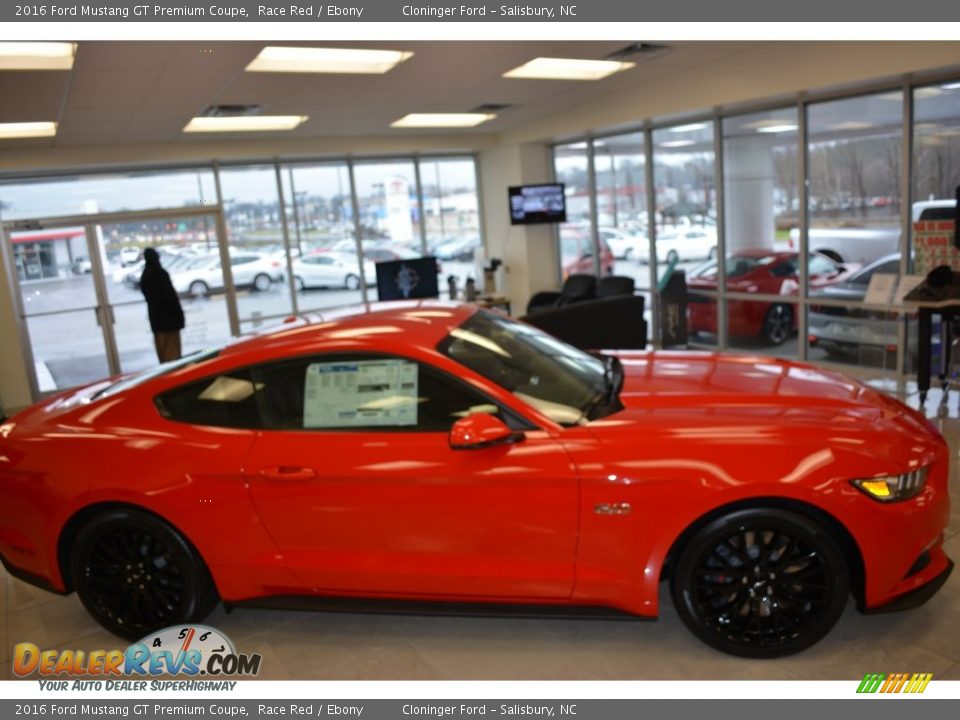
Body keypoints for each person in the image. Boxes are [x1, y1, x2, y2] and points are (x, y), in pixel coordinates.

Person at [140, 248, 185, 363]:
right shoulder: (160, 273)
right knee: (173, 353)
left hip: (156, 320)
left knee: (162, 351)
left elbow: (146, 294)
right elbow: (170, 297)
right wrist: (179, 315)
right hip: (169, 320)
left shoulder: (145, 274)